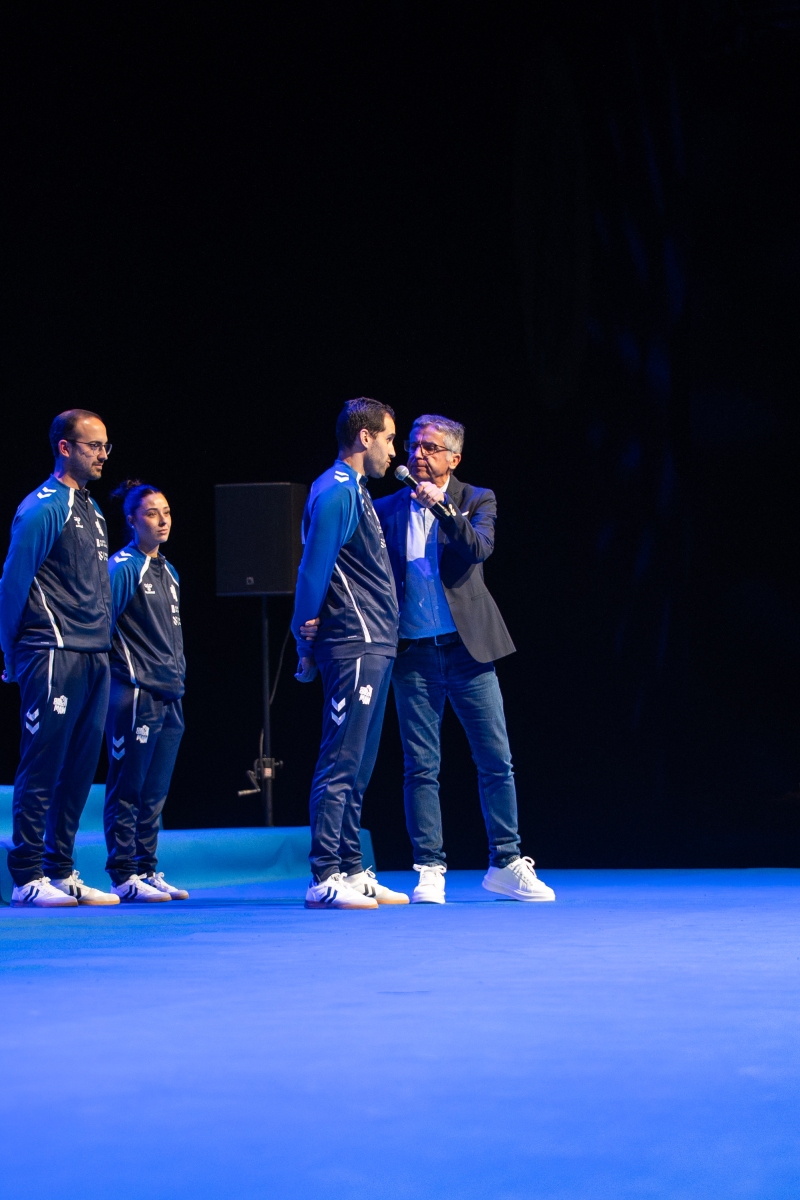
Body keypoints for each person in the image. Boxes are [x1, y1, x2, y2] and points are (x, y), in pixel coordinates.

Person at [373, 414, 555, 904]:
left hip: (468, 651)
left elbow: (478, 550)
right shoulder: (386, 508)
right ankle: (430, 868)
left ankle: (506, 862)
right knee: (420, 766)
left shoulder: (477, 499)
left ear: (453, 458)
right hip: (413, 654)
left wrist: (442, 507)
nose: (417, 454)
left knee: (495, 760)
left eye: (430, 447)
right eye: (413, 445)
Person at [291, 397, 408, 909]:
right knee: (339, 761)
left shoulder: (356, 491)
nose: (393, 450)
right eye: (389, 438)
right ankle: (324, 876)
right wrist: (303, 638)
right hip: (352, 642)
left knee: (358, 766)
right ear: (365, 437)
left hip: (376, 641)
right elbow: (312, 570)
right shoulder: (336, 490)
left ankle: (352, 867)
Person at [0, 410, 119, 906]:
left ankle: (60, 868)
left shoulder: (93, 510)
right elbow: (13, 582)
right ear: (65, 448)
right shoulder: (43, 507)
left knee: (79, 769)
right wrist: (10, 651)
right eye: (94, 445)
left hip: (94, 654)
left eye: (106, 446)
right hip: (51, 649)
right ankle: (27, 876)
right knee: (43, 763)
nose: (103, 454)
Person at [104, 481, 189, 902]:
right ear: (132, 520)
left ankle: (146, 868)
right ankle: (123, 874)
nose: (162, 520)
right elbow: (101, 627)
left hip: (170, 696)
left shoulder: (169, 572)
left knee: (154, 792)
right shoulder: (123, 567)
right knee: (128, 788)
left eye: (166, 512)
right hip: (134, 694)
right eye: (152, 513)